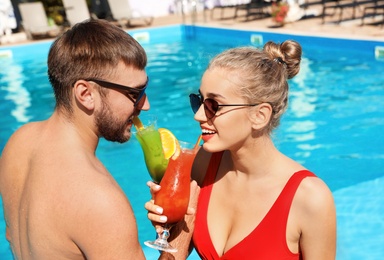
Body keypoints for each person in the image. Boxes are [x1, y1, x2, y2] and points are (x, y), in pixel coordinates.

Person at [146, 40, 336, 259]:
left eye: (213, 105)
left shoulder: (310, 198)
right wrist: (170, 227)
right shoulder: (204, 162)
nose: (198, 115)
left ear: (259, 115)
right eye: (198, 101)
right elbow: (176, 251)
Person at [0, 19, 149, 259]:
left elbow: (12, 237)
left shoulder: (19, 142)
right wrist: (179, 235)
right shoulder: (100, 200)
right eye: (135, 93)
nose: (146, 104)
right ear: (85, 94)